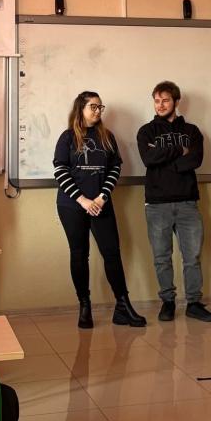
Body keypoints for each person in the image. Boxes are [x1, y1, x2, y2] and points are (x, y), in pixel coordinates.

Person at [53, 91, 146, 329]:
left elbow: (115, 168)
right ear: (81, 109)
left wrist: (102, 197)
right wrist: (83, 200)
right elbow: (60, 171)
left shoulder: (107, 136)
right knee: (79, 254)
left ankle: (122, 306)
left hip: (101, 203)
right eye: (93, 107)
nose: (97, 111)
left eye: (100, 107)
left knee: (112, 253)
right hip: (72, 205)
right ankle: (84, 306)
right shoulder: (67, 137)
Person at [137, 80, 211, 323]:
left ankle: (194, 303)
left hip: (187, 203)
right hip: (157, 204)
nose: (161, 105)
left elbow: (194, 161)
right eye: (157, 101)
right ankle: (168, 302)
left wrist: (164, 159)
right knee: (162, 258)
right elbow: (148, 159)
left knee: (192, 257)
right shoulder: (146, 131)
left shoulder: (191, 131)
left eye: (166, 100)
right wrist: (179, 151)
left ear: (176, 101)